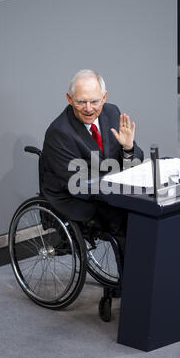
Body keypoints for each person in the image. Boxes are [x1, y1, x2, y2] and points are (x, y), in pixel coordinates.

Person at [42, 70, 144, 251]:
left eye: (95, 101)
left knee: (149, 207)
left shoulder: (112, 113)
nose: (88, 108)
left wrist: (128, 149)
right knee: (120, 217)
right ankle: (134, 278)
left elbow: (134, 160)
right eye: (81, 101)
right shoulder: (59, 132)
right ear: (70, 98)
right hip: (73, 196)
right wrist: (118, 191)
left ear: (104, 98)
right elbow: (77, 183)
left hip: (107, 188)